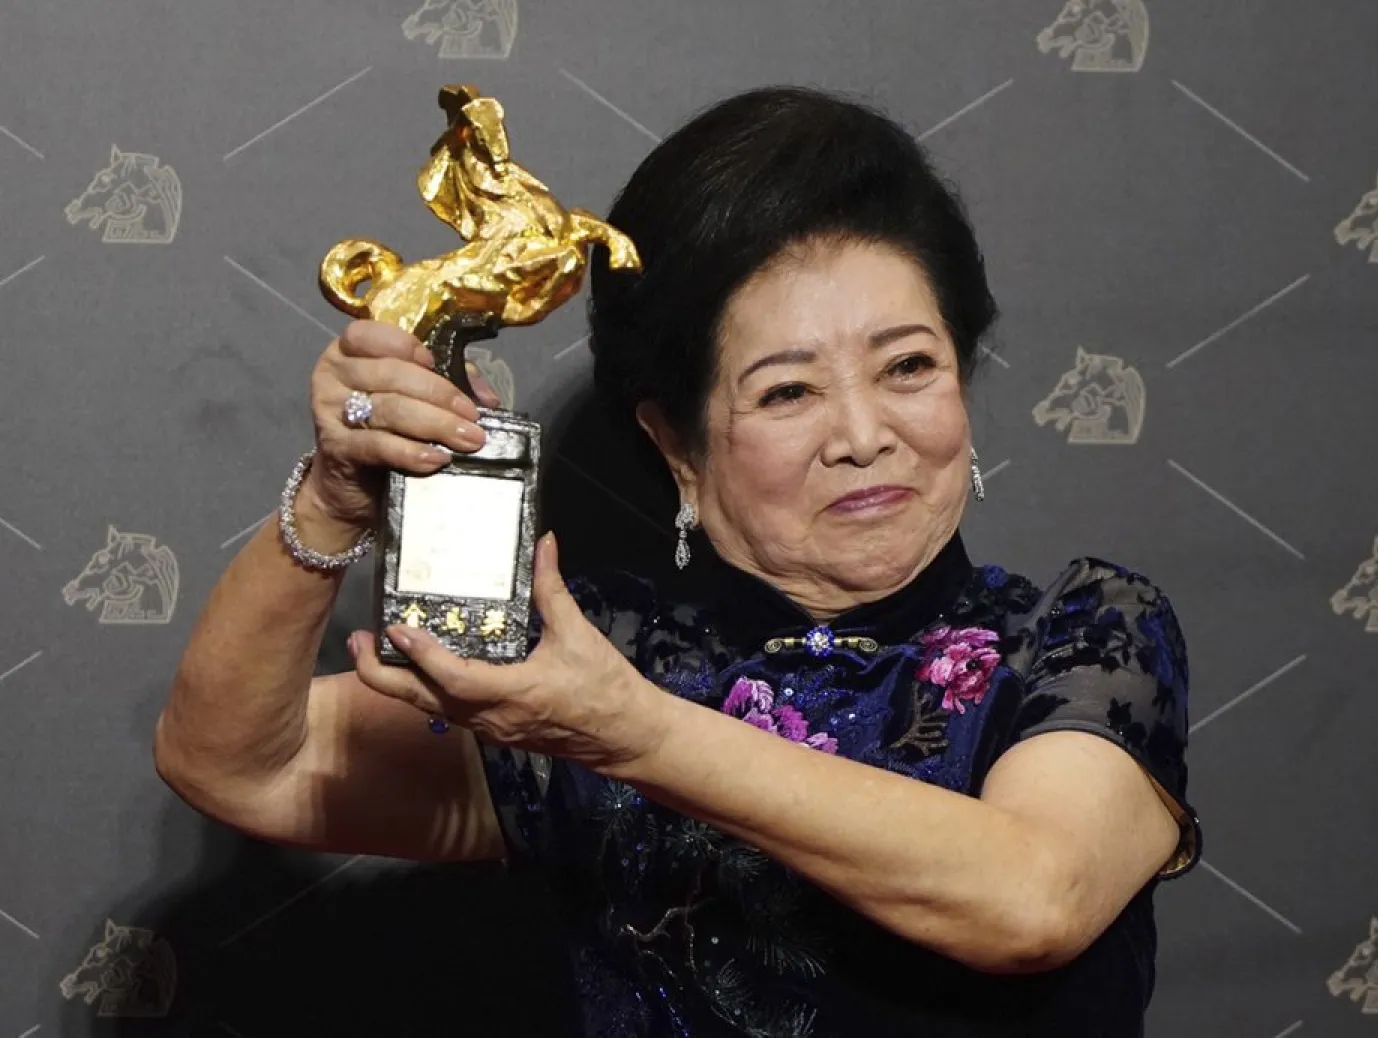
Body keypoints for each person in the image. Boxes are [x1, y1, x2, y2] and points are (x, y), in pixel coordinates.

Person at [156, 85, 1201, 1037]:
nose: (864, 433)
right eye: (788, 391)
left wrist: (631, 735)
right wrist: (337, 501)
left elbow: (1032, 899)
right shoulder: (591, 664)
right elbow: (239, 763)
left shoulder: (1080, 632)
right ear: (678, 448)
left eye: (909, 367)